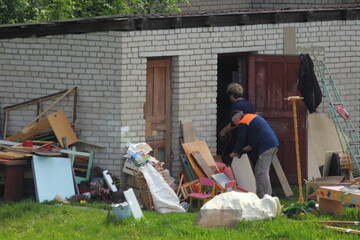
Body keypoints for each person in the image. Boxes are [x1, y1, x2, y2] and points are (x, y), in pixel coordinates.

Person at [229, 111, 279, 199]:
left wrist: (234, 152)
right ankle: (263, 195)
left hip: (266, 145)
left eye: (235, 123)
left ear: (236, 119)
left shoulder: (243, 122)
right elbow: (257, 134)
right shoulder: (250, 117)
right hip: (271, 144)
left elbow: (241, 139)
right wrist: (250, 146)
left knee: (261, 171)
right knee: (260, 170)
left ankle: (265, 197)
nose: (236, 125)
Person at [219, 83, 254, 157]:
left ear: (231, 95)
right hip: (249, 136)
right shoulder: (248, 104)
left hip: (239, 136)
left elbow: (234, 123)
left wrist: (223, 131)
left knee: (229, 156)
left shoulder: (236, 105)